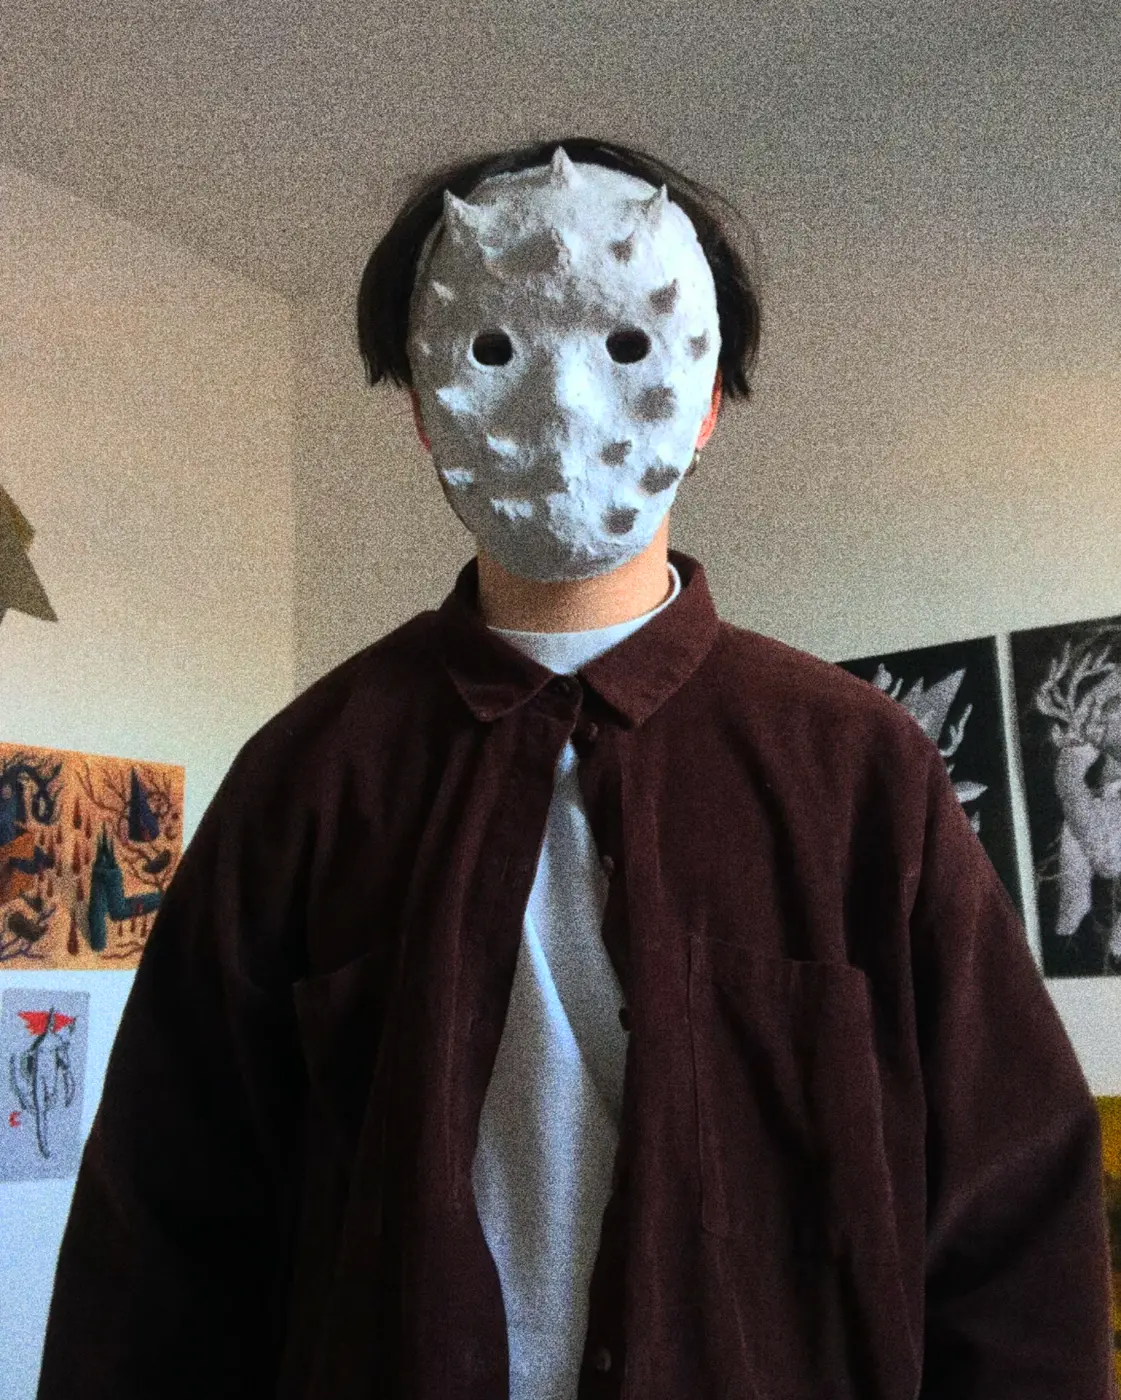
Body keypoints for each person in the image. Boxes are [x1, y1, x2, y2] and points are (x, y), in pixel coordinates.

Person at [38, 137, 1115, 1400]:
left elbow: (1012, 1234)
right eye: (493, 350)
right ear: (422, 406)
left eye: (624, 346)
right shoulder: (304, 780)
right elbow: (161, 1243)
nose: (559, 407)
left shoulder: (860, 770)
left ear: (705, 400)